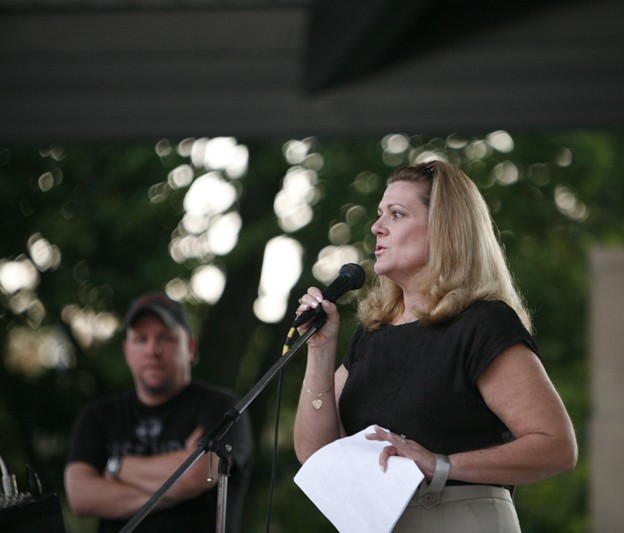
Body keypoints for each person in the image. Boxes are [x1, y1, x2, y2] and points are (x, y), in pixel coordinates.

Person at [293, 160, 578, 532]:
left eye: (397, 215)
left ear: (444, 229)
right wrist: (319, 350)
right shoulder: (373, 332)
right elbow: (316, 455)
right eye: (380, 214)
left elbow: (556, 446)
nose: (377, 227)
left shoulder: (482, 322)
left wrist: (440, 464)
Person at [64, 292, 254, 533]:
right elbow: (81, 497)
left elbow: (197, 475)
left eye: (166, 338)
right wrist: (176, 484)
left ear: (191, 348)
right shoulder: (98, 416)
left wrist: (117, 468)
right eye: (141, 339)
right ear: (126, 350)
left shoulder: (223, 408)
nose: (152, 350)